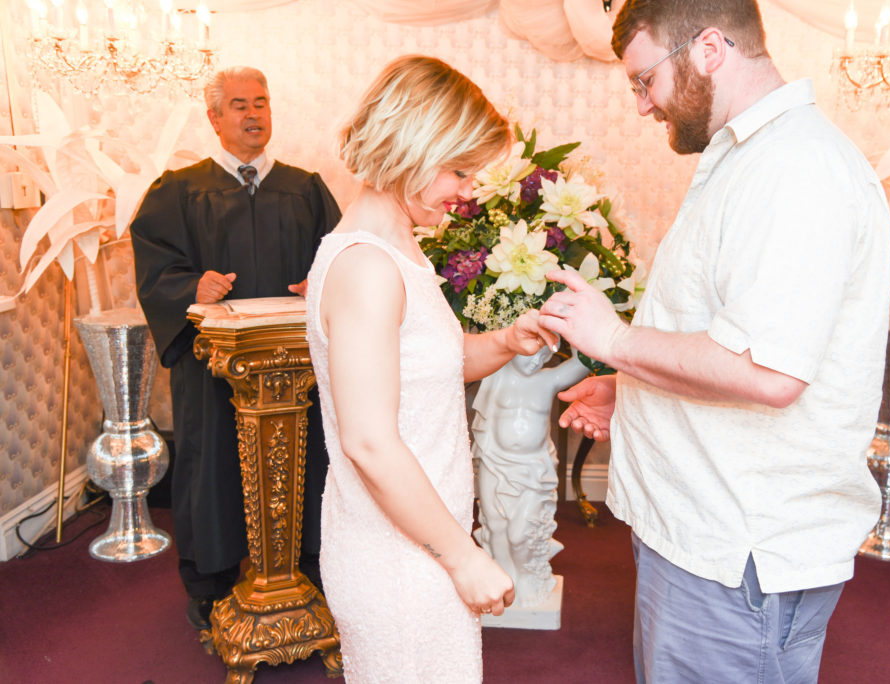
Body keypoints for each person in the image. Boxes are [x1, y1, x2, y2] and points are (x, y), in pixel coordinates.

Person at [538, 1, 890, 682]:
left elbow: (767, 372)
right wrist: (635, 390)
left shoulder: (795, 168)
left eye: (645, 81)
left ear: (708, 49)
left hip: (739, 552)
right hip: (702, 534)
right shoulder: (750, 157)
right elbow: (726, 337)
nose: (643, 106)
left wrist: (612, 340)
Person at [305, 55, 557, 683]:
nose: (468, 191)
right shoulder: (367, 266)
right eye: (460, 169)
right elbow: (368, 440)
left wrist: (504, 340)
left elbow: (426, 371)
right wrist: (463, 557)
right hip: (398, 554)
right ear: (412, 144)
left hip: (419, 537)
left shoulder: (399, 249)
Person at [130, 66, 341, 631]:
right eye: (240, 105)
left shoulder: (305, 187)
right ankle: (212, 581)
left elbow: (342, 257)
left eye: (262, 103)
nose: (254, 114)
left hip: (296, 367)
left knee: (306, 458)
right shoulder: (179, 189)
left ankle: (310, 565)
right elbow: (155, 267)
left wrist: (317, 282)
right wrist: (189, 287)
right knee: (213, 462)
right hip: (213, 367)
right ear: (215, 118)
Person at [470, 346, 589, 607]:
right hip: (494, 462)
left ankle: (528, 577)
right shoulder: (493, 374)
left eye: (544, 355)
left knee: (520, 532)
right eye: (533, 352)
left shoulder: (548, 380)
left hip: (532, 468)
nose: (537, 361)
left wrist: (571, 317)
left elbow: (586, 361)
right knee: (496, 526)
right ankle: (505, 581)